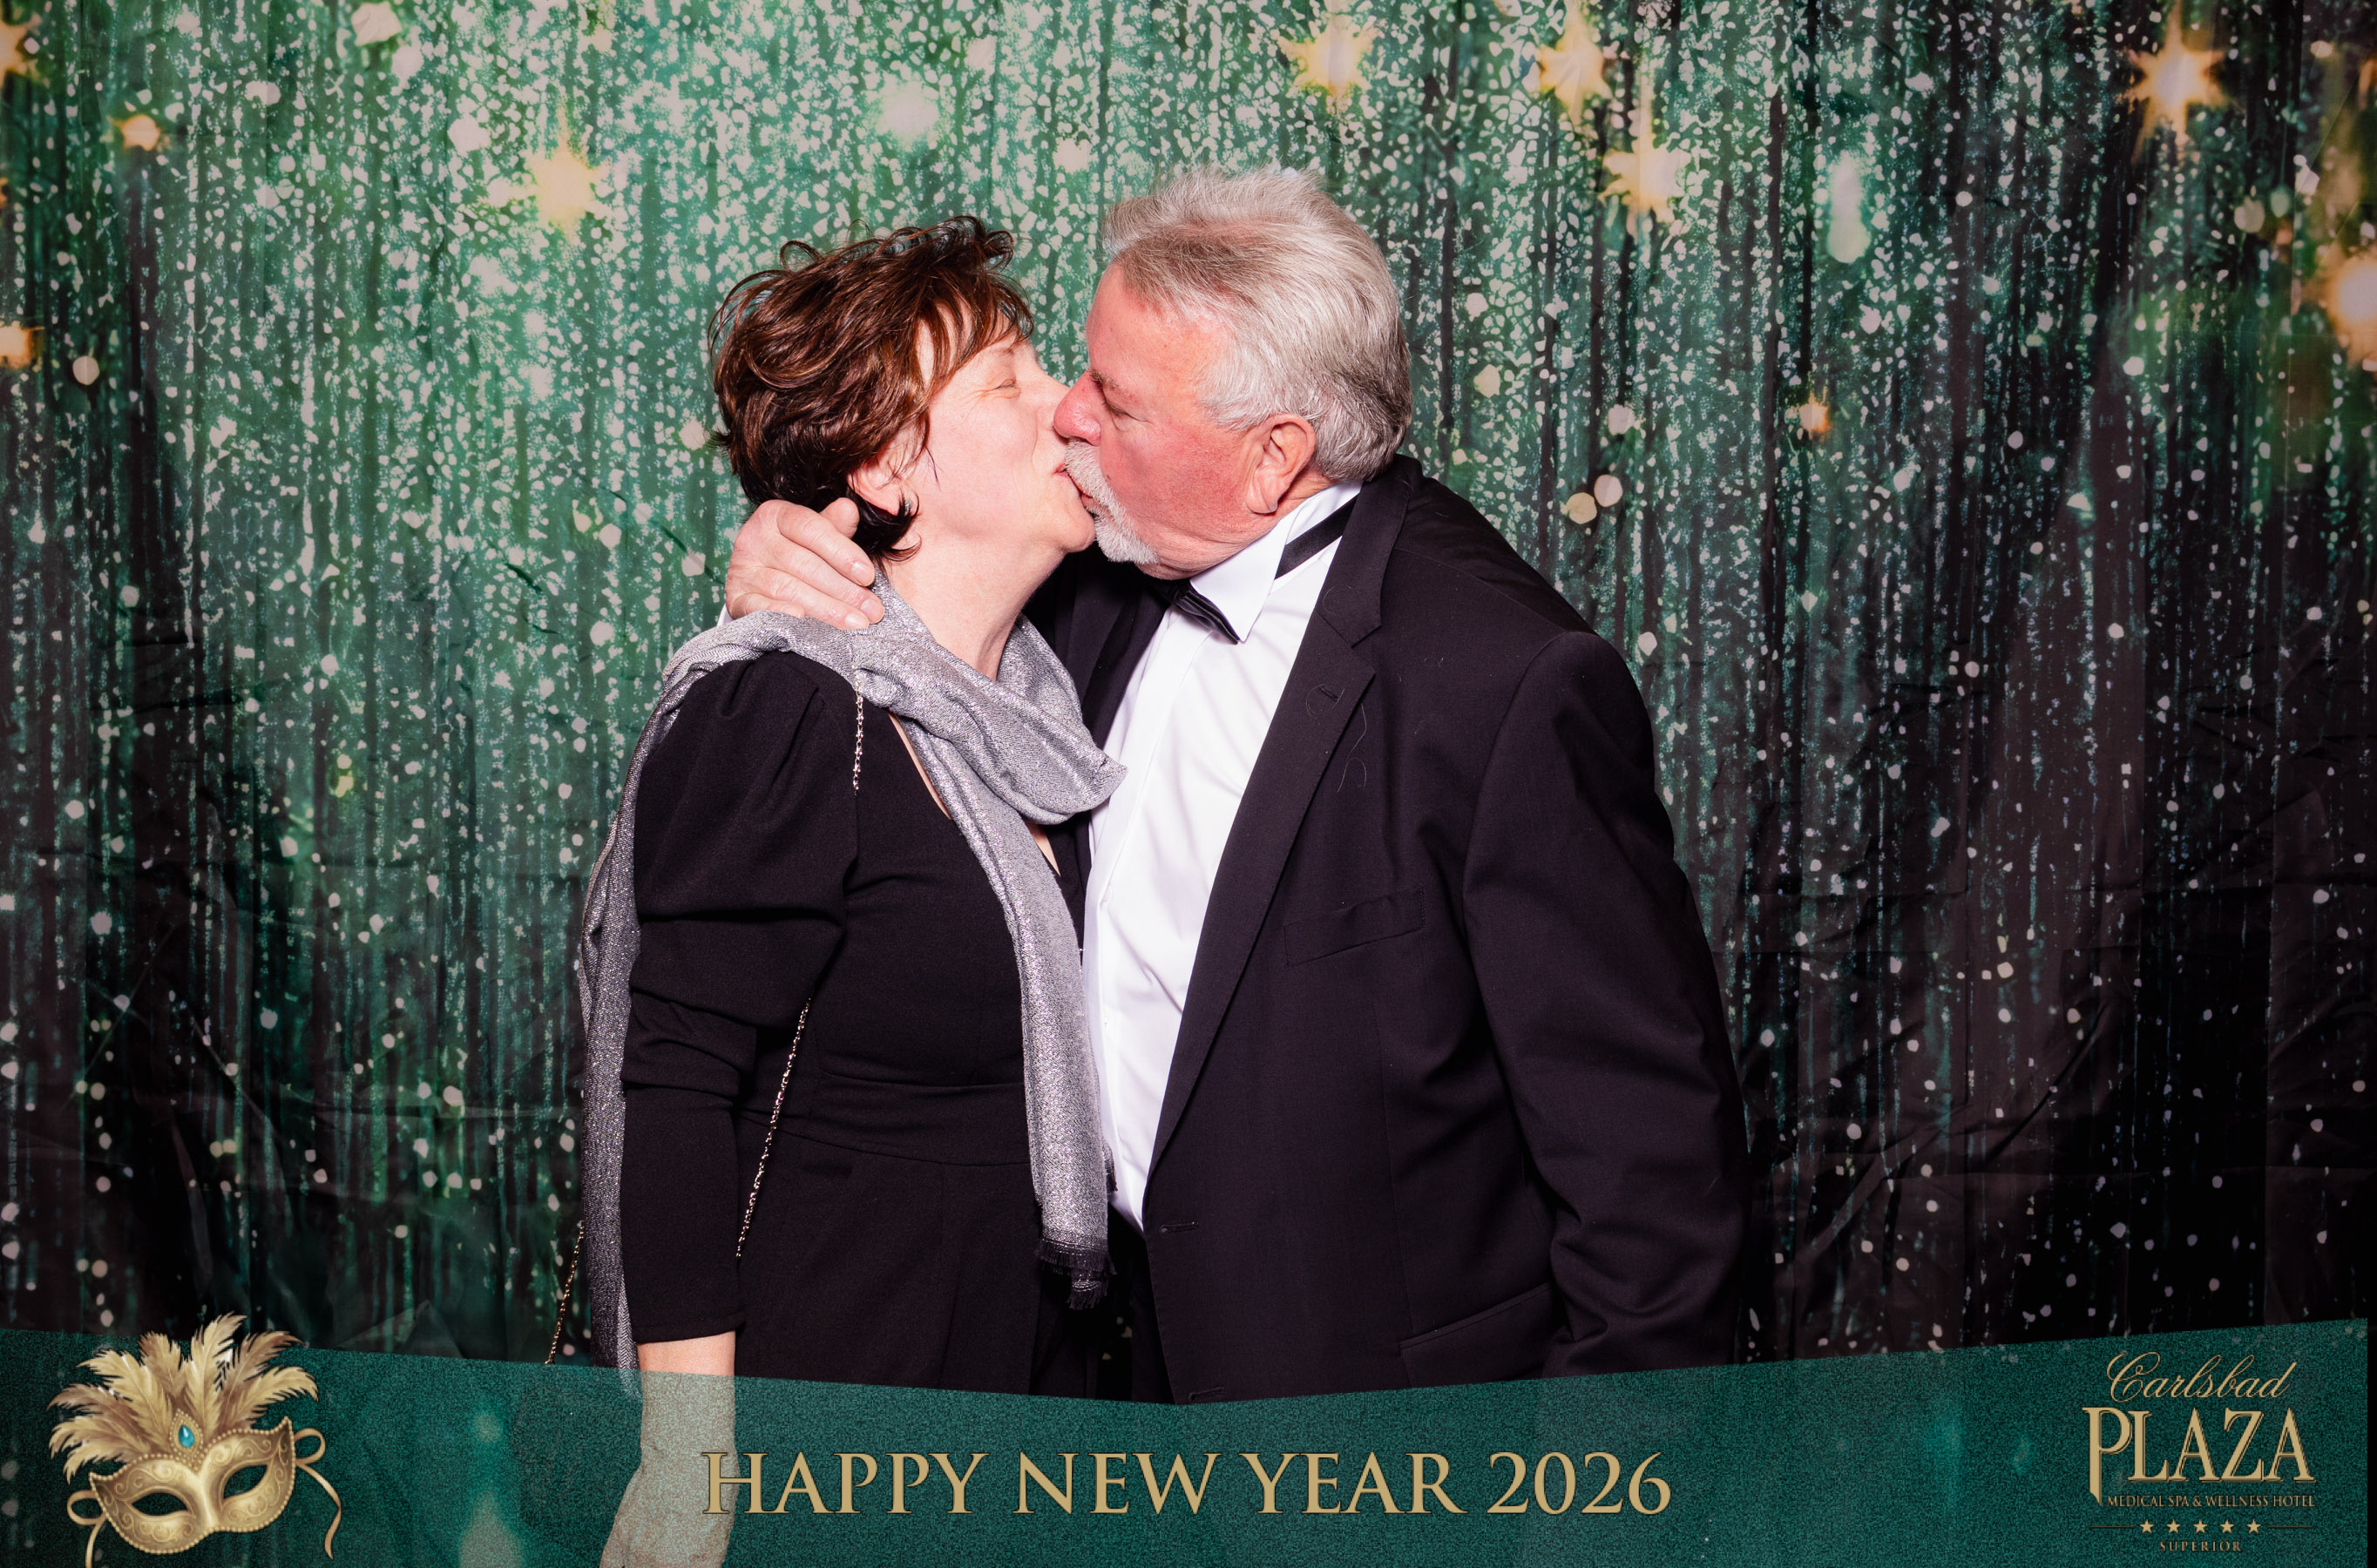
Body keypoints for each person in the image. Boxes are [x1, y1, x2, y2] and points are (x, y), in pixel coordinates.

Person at [720, 166, 1751, 1403]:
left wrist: (1592, 1499)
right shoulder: (1093, 577)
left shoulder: (1504, 684)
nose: (1068, 416)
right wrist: (793, 555)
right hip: (1084, 1389)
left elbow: (1654, 1188)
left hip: (1378, 1434)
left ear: (1273, 457)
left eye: (1116, 400)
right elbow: (917, 634)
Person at [577, 217, 1125, 1400]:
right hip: (836, 1397)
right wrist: (685, 1457)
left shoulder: (1062, 702)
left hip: (1027, 1406)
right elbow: (677, 1094)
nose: (1071, 405)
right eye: (1008, 381)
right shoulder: (788, 707)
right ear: (882, 469)